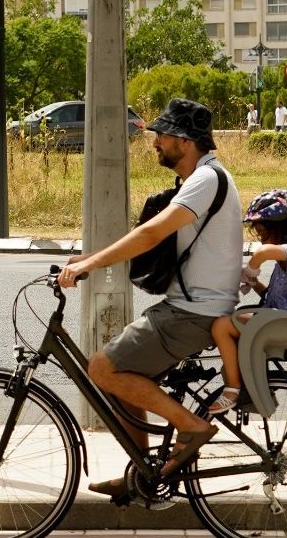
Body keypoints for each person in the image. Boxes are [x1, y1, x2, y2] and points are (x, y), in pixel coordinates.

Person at [58, 98, 242, 499]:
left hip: (191, 313)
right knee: (124, 378)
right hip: (193, 307)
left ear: (185, 141)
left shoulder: (205, 181)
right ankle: (142, 474)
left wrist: (88, 266)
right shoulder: (206, 177)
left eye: (162, 137)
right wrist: (90, 258)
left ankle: (192, 426)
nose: (155, 143)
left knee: (103, 368)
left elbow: (149, 235)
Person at [206, 189, 287, 415]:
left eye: (262, 231)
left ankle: (232, 389)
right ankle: (243, 381)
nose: (260, 237)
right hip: (279, 318)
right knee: (231, 319)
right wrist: (255, 283)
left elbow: (262, 252)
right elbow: (278, 295)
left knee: (221, 326)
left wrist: (251, 269)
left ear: (278, 226)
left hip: (277, 323)